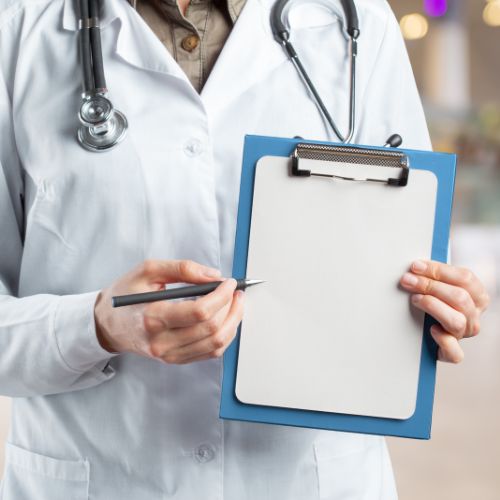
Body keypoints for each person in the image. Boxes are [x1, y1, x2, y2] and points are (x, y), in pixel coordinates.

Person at [0, 0, 489, 498]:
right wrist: (96, 326)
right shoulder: (18, 26)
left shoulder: (354, 21)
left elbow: (411, 257)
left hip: (309, 479)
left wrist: (436, 309)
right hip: (103, 477)